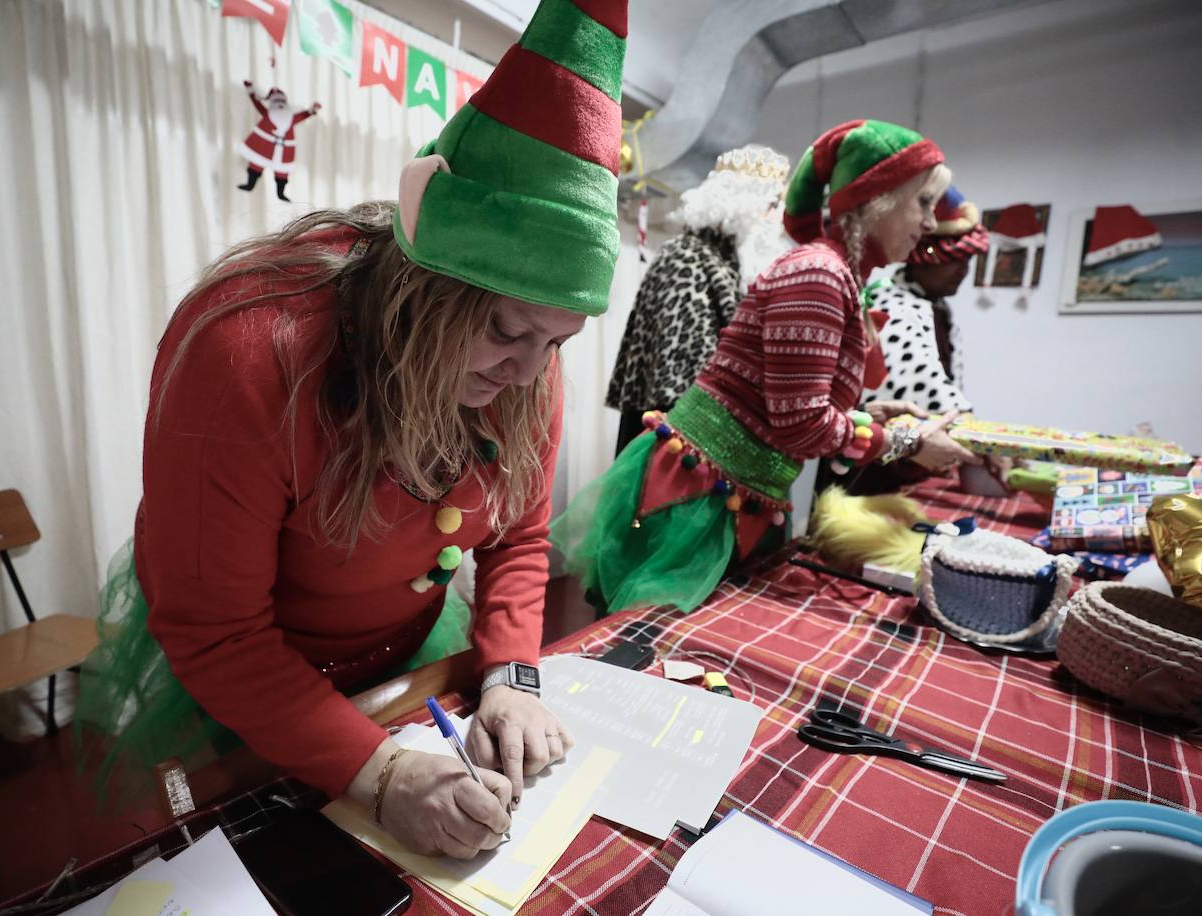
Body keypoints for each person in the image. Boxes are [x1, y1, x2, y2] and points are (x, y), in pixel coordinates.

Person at [76, 0, 630, 861]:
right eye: (506, 333)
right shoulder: (246, 356)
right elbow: (218, 633)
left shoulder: (529, 354)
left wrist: (513, 675)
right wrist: (378, 774)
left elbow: (517, 536)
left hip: (409, 668)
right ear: (425, 287)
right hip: (249, 681)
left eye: (556, 344)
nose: (529, 374)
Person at [553, 119, 978, 616]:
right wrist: (908, 443)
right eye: (923, 202)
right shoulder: (819, 272)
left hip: (729, 492)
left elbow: (789, 399)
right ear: (874, 198)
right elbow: (800, 423)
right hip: (700, 497)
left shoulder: (832, 273)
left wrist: (874, 417)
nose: (930, 223)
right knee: (658, 643)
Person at [606, 146, 790, 455]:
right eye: (771, 205)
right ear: (743, 203)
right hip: (678, 444)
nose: (776, 219)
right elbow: (678, 383)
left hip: (711, 441)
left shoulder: (732, 264)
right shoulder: (687, 257)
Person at [864, 185, 988, 415]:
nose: (962, 271)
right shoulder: (892, 309)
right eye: (952, 260)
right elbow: (924, 394)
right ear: (921, 257)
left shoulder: (939, 309)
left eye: (966, 262)